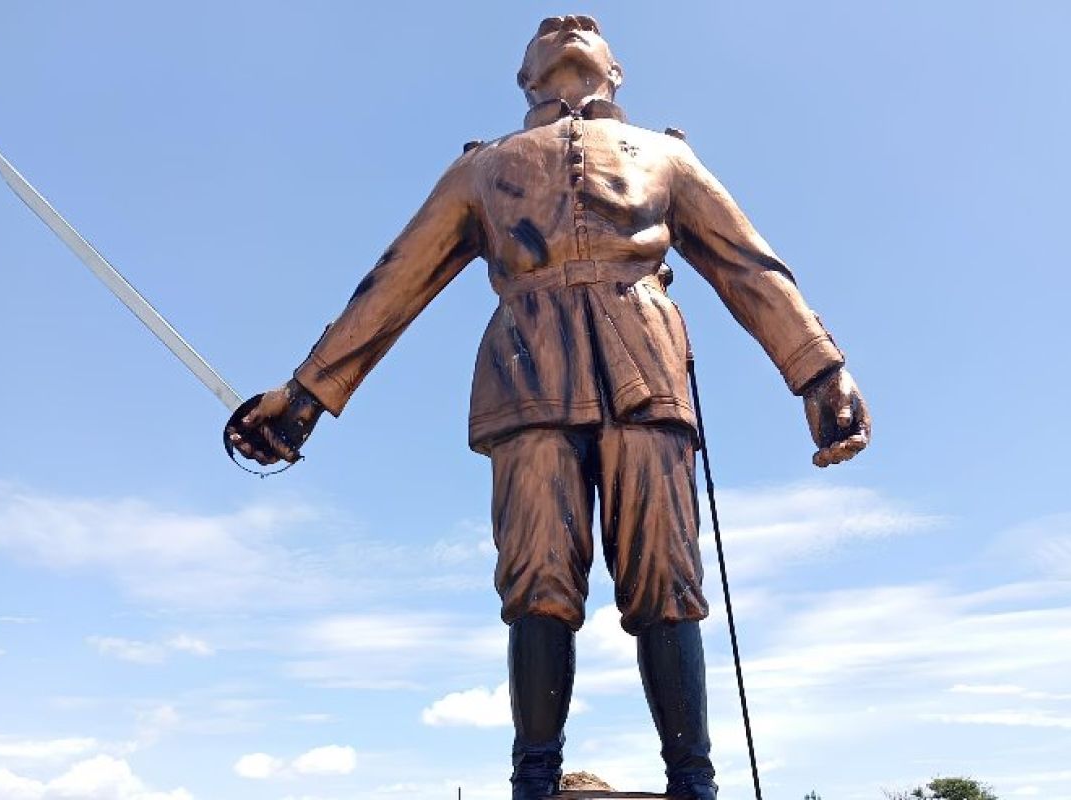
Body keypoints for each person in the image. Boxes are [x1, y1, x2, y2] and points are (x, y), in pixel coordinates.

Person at [226, 14, 871, 800]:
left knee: (664, 575)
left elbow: (748, 266)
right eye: (546, 31)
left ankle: (692, 783)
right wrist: (303, 396)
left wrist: (818, 370)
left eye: (586, 26)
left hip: (646, 365)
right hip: (525, 370)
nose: (566, 23)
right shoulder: (481, 169)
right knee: (534, 579)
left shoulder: (666, 156)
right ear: (526, 79)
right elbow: (396, 281)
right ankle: (533, 779)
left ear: (616, 69)